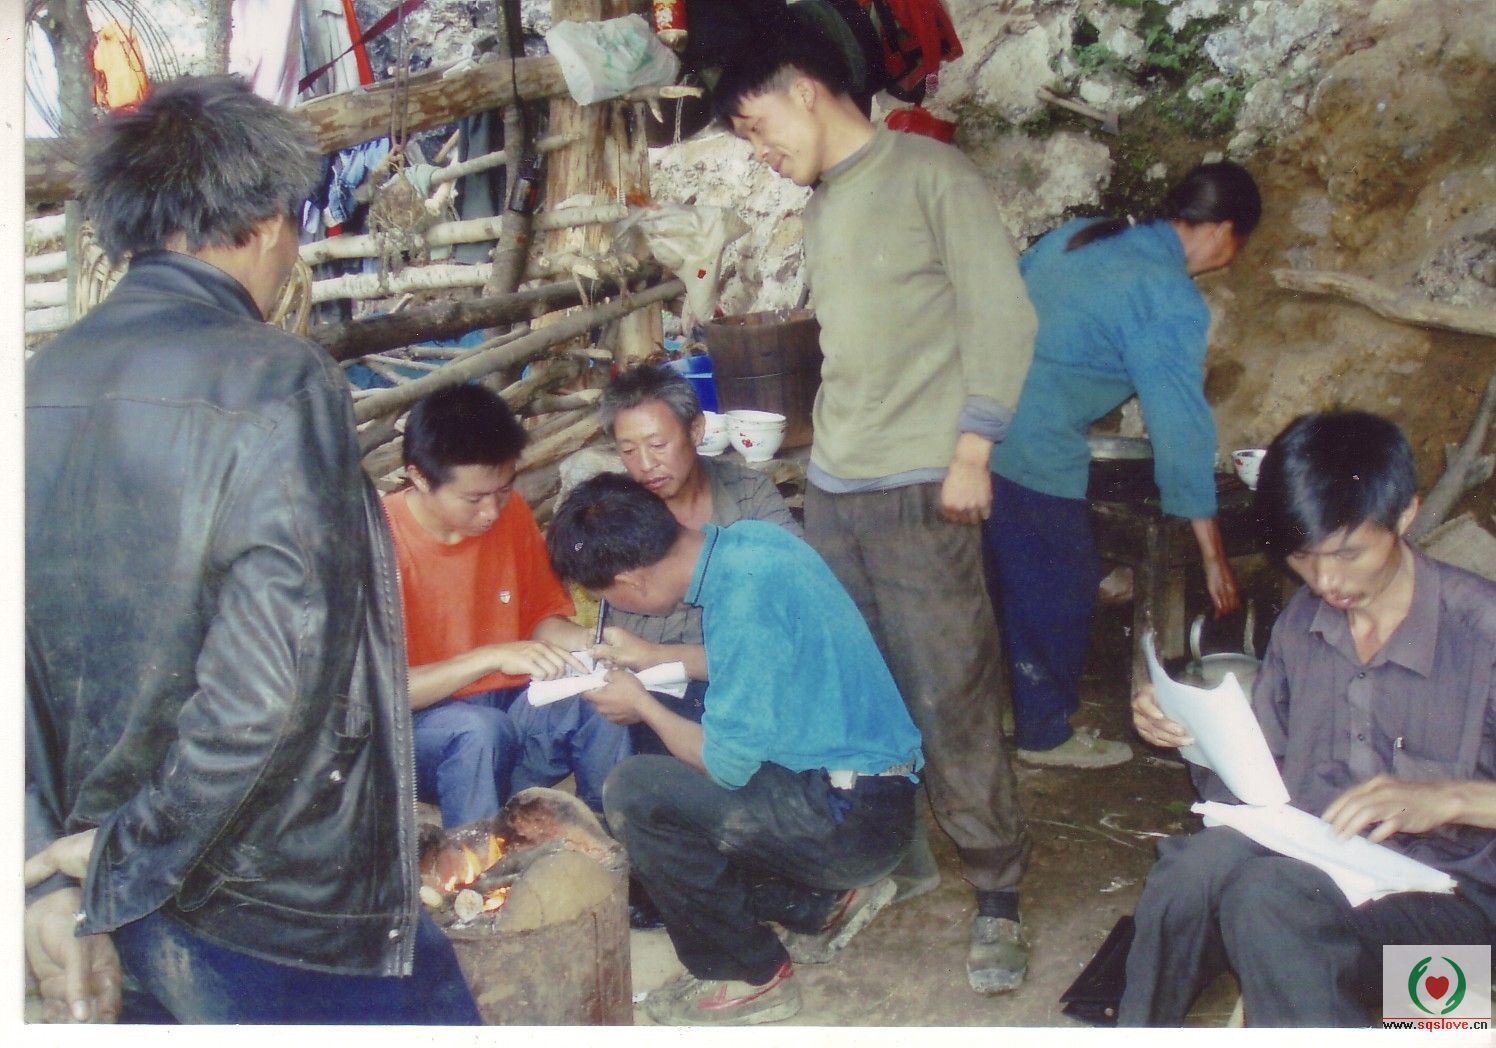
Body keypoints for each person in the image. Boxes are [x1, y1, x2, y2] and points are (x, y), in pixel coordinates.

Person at [24, 75, 478, 1024]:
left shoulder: (37, 383)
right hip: (268, 895)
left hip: (99, 878)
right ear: (270, 222)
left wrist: (54, 875)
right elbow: (270, 688)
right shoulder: (277, 379)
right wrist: (131, 850)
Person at [714, 18, 1038, 993]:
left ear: (804, 90)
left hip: (922, 483)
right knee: (859, 689)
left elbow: (1003, 313)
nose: (761, 152)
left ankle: (997, 888)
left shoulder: (932, 176)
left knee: (950, 688)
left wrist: (973, 447)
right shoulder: (823, 208)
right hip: (837, 485)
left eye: (759, 127)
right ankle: (900, 854)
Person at [1123, 411, 1496, 1026]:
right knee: (1191, 872)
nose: (1326, 580)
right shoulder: (1303, 622)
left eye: (1348, 553)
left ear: (1405, 515)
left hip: (1454, 915)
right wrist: (1188, 731)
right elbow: (1256, 782)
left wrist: (1451, 798)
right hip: (1324, 871)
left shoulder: (1481, 632)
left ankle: (1422, 1019)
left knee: (1266, 902)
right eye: (1303, 555)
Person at [547, 474, 923, 1026]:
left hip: (852, 820)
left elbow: (723, 763)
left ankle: (749, 976)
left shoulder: (741, 599)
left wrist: (641, 704)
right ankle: (818, 903)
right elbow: (754, 657)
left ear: (632, 580)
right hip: (870, 793)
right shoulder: (749, 545)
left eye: (606, 597)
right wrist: (652, 655)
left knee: (635, 790)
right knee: (676, 727)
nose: (610, 606)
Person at [985, 162, 1261, 768]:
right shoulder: (1169, 297)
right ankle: (1044, 735)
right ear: (1222, 232)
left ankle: (1013, 706)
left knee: (1009, 576)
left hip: (972, 427)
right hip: (1031, 445)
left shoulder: (1084, 233)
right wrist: (1212, 552)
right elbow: (1180, 429)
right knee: (1060, 585)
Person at [384, 383, 631, 827]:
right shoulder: (379, 542)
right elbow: (380, 693)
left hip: (512, 708)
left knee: (599, 693)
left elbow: (539, 620)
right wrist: (492, 656)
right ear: (418, 477)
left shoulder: (510, 512)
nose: (492, 511)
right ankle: (480, 862)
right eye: (474, 498)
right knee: (479, 731)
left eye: (502, 490)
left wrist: (589, 643)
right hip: (423, 734)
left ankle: (608, 838)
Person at [594, 362, 801, 752]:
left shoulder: (747, 493)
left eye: (658, 445)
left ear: (696, 430)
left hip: (745, 681)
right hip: (651, 689)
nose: (645, 464)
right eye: (628, 450)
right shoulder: (616, 511)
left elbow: (795, 588)